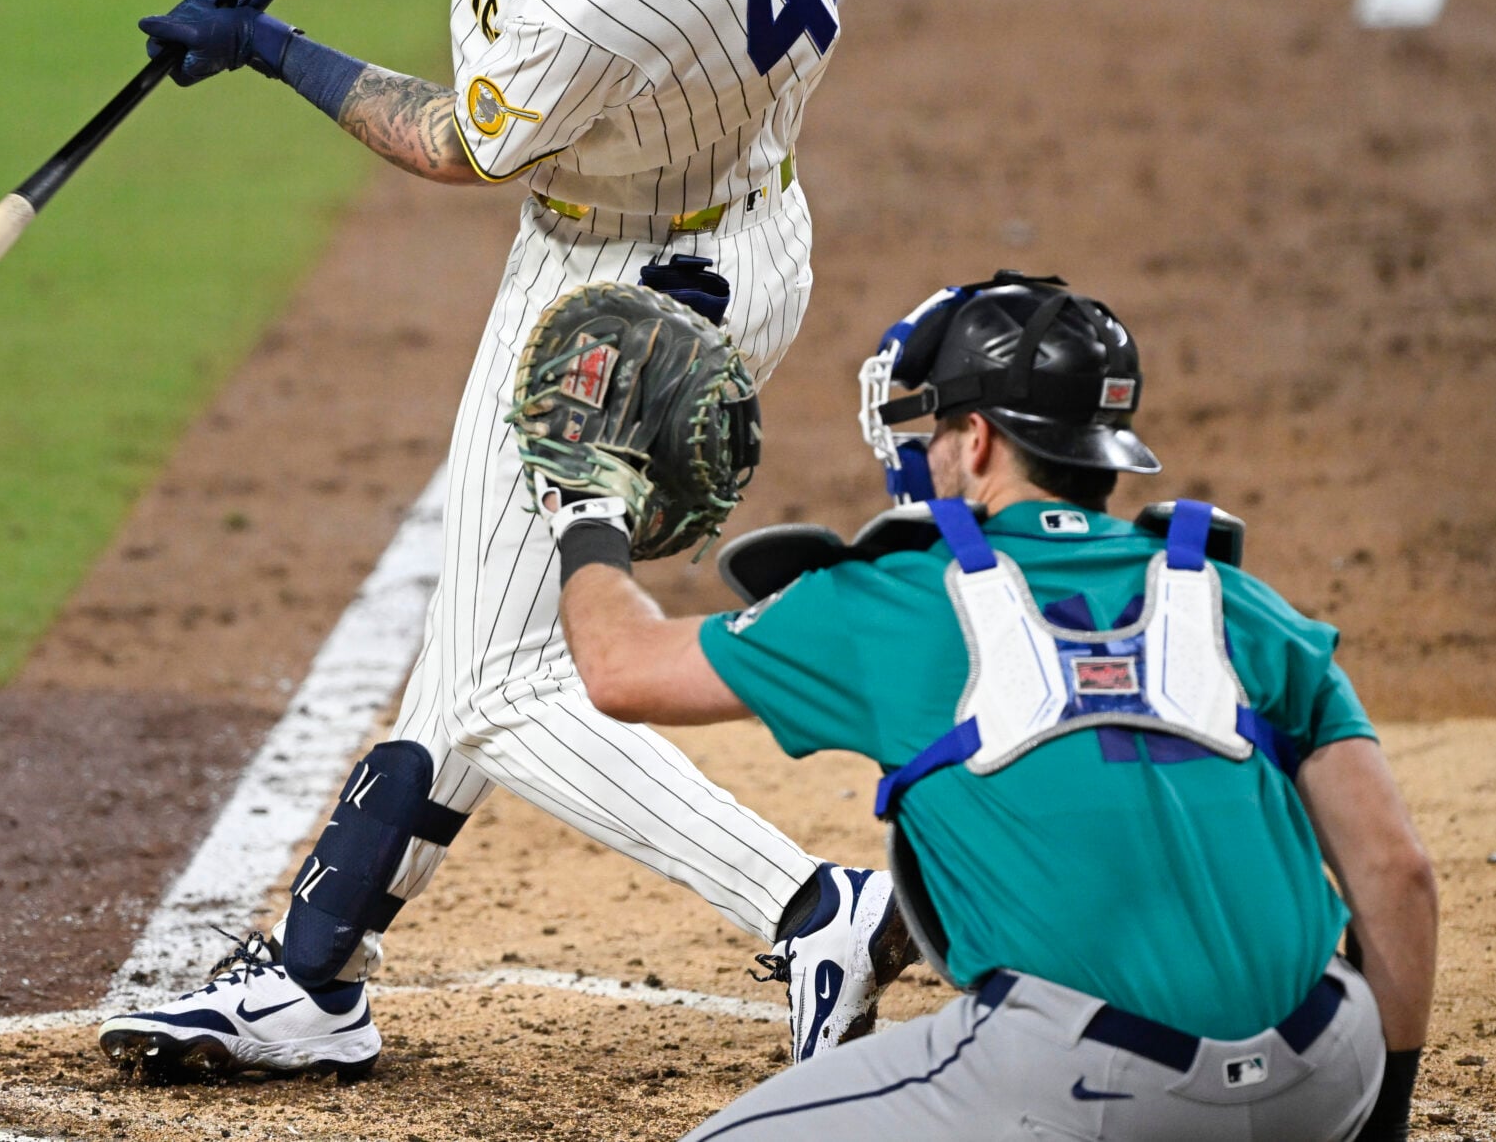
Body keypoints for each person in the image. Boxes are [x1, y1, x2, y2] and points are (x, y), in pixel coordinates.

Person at [95, 0, 896, 1081]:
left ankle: (812, 904)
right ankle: (312, 975)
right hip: (742, 221)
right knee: (475, 628)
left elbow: (453, 143)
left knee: (505, 682)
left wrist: (270, 45)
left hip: (619, 304)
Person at [546, 272, 1439, 1140]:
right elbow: (1398, 874)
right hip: (1328, 1070)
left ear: (976, 441)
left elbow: (620, 667)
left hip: (1088, 1086)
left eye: (936, 425)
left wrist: (587, 504)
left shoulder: (902, 600)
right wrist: (1380, 1114)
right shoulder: (1243, 602)